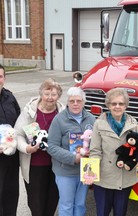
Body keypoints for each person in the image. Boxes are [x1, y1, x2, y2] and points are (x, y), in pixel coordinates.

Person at [14, 78, 64, 216]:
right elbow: (17, 134)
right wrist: (26, 148)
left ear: (58, 96)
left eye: (54, 94)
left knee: (52, 200)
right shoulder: (29, 111)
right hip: (34, 165)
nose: (50, 98)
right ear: (41, 94)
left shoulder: (62, 112)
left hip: (56, 165)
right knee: (36, 203)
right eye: (47, 94)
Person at [88, 88, 138, 216]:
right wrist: (89, 173)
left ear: (126, 105)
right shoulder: (99, 123)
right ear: (108, 105)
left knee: (120, 213)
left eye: (121, 104)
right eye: (114, 103)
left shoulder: (132, 123)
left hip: (125, 176)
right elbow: (95, 150)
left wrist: (135, 161)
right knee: (102, 212)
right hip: (105, 176)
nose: (117, 107)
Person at [47, 87, 95, 216]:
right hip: (65, 171)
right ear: (67, 102)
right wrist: (73, 158)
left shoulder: (91, 119)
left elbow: (97, 143)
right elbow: (51, 146)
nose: (75, 104)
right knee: (66, 205)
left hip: (86, 170)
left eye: (78, 101)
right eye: (72, 100)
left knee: (80, 204)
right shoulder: (59, 119)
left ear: (84, 102)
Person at [0, 64, 21, 216]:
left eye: (0, 76)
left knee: (11, 193)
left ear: (4, 78)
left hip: (11, 158)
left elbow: (20, 122)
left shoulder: (10, 97)